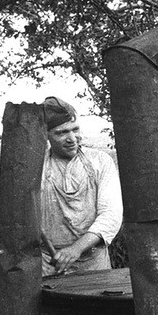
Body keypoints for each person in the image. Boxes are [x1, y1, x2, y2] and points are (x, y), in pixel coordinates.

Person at [40, 96, 123, 276]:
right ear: (45, 134)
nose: (72, 139)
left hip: (93, 264)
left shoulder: (100, 162)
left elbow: (111, 215)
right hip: (48, 264)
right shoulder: (37, 168)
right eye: (61, 133)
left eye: (75, 129)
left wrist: (75, 249)